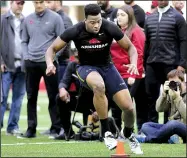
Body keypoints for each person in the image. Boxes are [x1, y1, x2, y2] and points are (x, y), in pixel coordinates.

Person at [45, 4, 143, 154]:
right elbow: (51, 49)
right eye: (92, 22)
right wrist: (50, 63)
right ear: (85, 20)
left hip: (107, 67)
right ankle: (106, 131)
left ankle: (129, 133)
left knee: (129, 108)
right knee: (98, 85)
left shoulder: (109, 27)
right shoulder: (76, 30)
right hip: (86, 68)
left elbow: (131, 48)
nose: (96, 25)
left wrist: (134, 64)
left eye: (98, 21)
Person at [21, 0, 64, 138]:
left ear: (45, 2)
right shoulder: (27, 19)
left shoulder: (56, 18)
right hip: (31, 63)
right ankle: (31, 129)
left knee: (53, 96)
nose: (38, 5)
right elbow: (24, 41)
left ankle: (56, 128)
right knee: (31, 97)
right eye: (36, 2)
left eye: (41, 2)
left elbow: (63, 40)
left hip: (49, 64)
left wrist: (53, 58)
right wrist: (26, 56)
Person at [144, 0, 187, 124]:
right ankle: (152, 127)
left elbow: (184, 41)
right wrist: (144, 63)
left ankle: (169, 128)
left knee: (172, 96)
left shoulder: (178, 18)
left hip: (171, 64)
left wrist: (182, 65)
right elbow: (147, 42)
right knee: (151, 97)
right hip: (152, 63)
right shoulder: (150, 18)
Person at [110, 5, 147, 132]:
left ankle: (128, 131)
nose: (119, 17)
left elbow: (139, 54)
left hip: (129, 73)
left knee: (126, 104)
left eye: (122, 15)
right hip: (116, 73)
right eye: (118, 15)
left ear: (130, 17)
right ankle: (116, 131)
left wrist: (133, 74)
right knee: (115, 104)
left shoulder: (136, 31)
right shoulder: (117, 31)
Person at [135, 69, 186, 144]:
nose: (174, 85)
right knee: (146, 126)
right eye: (171, 83)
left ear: (183, 82)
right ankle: (170, 139)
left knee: (173, 123)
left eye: (176, 82)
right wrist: (164, 94)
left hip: (183, 128)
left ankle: (145, 139)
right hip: (171, 128)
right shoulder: (171, 92)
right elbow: (159, 109)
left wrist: (177, 98)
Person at [54, 52, 95, 140]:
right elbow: (64, 81)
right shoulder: (72, 65)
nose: (76, 60)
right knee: (59, 98)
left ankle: (97, 130)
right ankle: (68, 132)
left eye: (78, 57)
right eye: (75, 57)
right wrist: (62, 89)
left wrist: (99, 109)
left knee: (89, 135)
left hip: (95, 102)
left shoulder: (95, 65)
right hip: (80, 100)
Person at [1, 0, 26, 135]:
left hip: (22, 65)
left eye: (22, 3)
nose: (20, 6)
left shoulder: (26, 21)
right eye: (18, 3)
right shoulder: (2, 19)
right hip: (6, 64)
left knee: (18, 97)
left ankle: (12, 127)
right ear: (11, 3)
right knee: (2, 97)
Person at [45, 0, 73, 82]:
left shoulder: (64, 19)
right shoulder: (52, 18)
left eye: (49, 2)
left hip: (61, 62)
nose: (46, 5)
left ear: (57, 2)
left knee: (60, 91)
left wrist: (53, 57)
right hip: (53, 61)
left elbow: (66, 42)